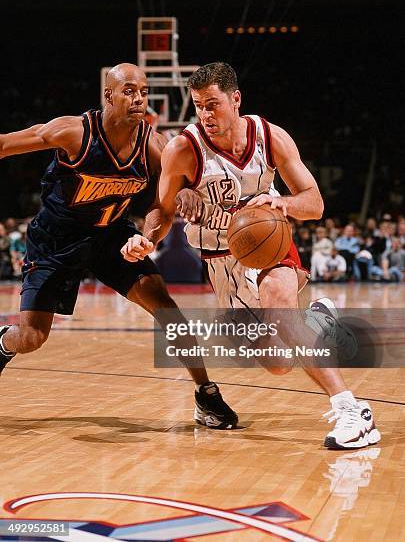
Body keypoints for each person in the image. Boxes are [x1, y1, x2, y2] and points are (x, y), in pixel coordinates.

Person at [122, 62, 381, 449]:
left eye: (213, 104)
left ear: (235, 99)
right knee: (277, 363)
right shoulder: (182, 149)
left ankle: (351, 410)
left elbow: (315, 203)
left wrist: (282, 203)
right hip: (220, 261)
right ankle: (316, 320)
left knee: (279, 303)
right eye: (198, 106)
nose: (206, 115)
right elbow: (162, 209)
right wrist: (148, 239)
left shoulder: (271, 137)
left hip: (269, 245)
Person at [0, 62, 238, 430]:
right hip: (56, 240)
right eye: (129, 91)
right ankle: (4, 342)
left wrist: (151, 234)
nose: (138, 98)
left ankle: (206, 394)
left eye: (143, 92)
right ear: (108, 95)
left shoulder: (154, 146)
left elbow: (166, 199)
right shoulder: (73, 133)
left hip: (112, 236)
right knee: (31, 338)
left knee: (167, 308)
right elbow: (4, 144)